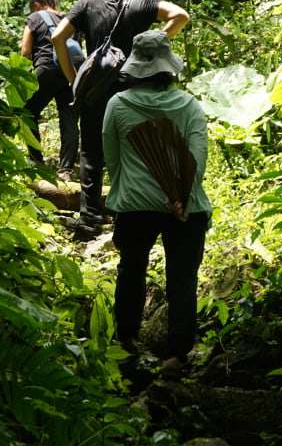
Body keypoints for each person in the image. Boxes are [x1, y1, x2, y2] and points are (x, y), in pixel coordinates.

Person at [51, 0, 189, 237]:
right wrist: (154, 41)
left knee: (91, 150)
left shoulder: (88, 2)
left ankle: (90, 217)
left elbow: (57, 36)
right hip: (134, 86)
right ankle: (129, 212)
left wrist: (71, 76)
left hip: (96, 90)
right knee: (135, 147)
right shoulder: (143, 2)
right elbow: (180, 15)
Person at [103, 30, 210, 369]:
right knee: (182, 277)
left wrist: (128, 191)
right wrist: (179, 196)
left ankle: (128, 341)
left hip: (134, 205)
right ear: (168, 66)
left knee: (131, 270)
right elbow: (199, 157)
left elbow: (112, 158)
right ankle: (178, 354)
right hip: (186, 208)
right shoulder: (190, 106)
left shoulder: (118, 105)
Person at [19, 0, 79, 179]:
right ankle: (66, 170)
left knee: (27, 113)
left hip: (46, 69)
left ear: (36, 5)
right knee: (68, 118)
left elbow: (25, 51)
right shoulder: (69, 19)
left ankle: (37, 163)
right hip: (71, 72)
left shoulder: (35, 18)